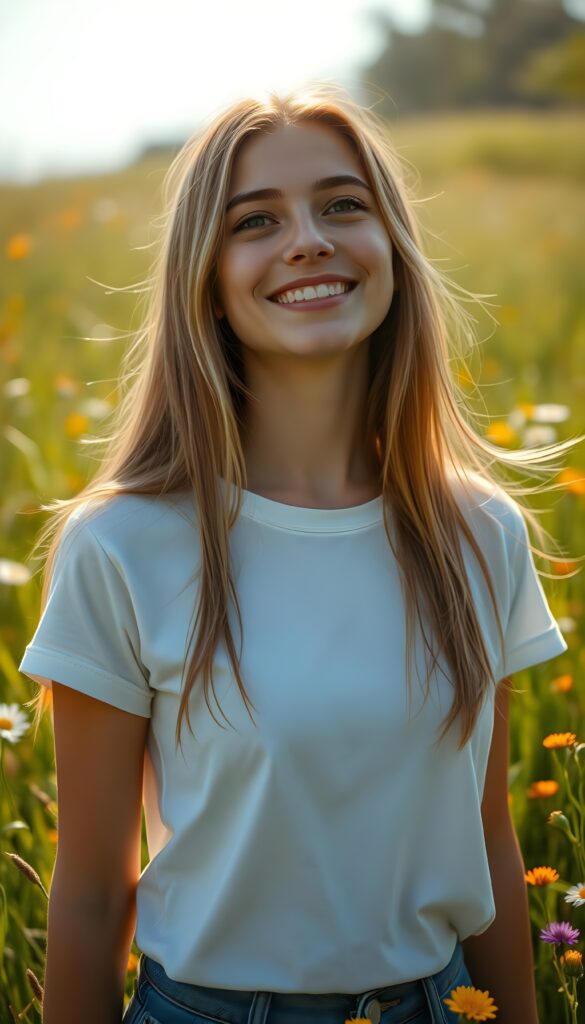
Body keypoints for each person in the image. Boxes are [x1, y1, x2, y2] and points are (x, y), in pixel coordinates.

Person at [19, 84, 576, 1024]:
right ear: (205, 277)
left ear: (391, 244)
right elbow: (88, 895)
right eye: (255, 220)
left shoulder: (479, 534)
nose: (309, 239)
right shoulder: (121, 546)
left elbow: (486, 848)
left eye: (342, 205)